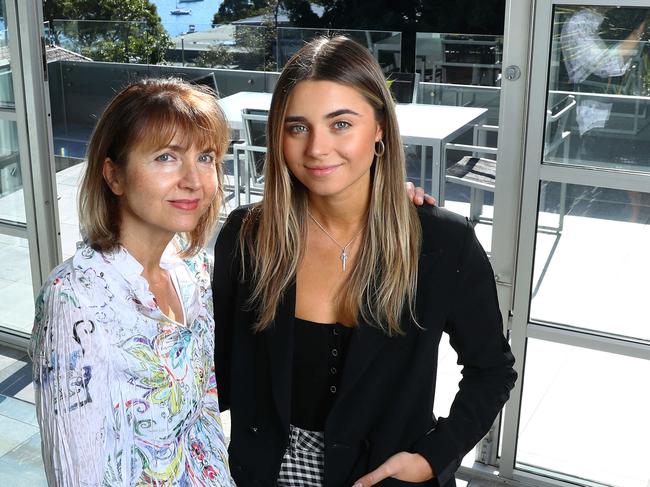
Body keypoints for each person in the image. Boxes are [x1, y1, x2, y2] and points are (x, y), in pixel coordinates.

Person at [213, 36, 517, 487]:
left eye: (340, 124)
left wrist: (434, 457)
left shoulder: (441, 242)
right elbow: (214, 370)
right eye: (297, 127)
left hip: (385, 477)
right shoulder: (247, 236)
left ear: (378, 128)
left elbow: (492, 371)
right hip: (267, 473)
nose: (316, 148)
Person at [29, 78, 235, 487]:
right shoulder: (73, 300)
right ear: (114, 176)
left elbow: (205, 416)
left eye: (206, 157)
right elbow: (76, 476)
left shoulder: (193, 271)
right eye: (166, 157)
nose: (194, 180)